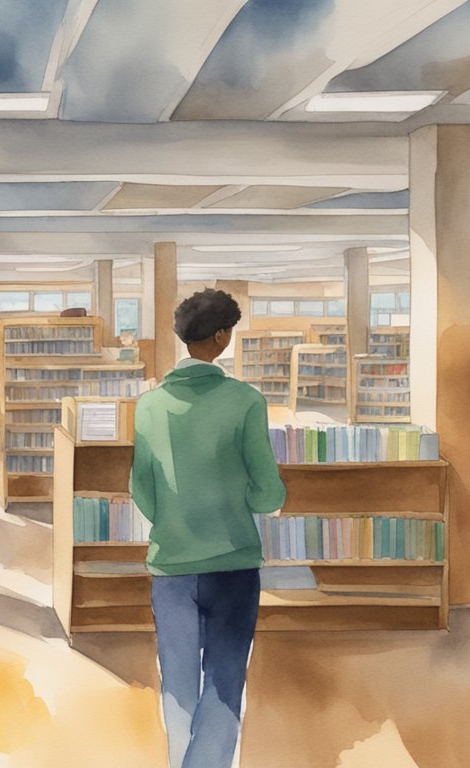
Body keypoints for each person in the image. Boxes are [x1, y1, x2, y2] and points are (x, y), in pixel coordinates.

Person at [129, 289, 286, 768]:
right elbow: (268, 493)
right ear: (221, 337)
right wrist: (243, 501)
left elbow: (141, 489)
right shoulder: (245, 402)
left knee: (176, 682)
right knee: (224, 680)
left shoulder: (150, 405)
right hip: (233, 562)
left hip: (171, 564)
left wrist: (177, 518)